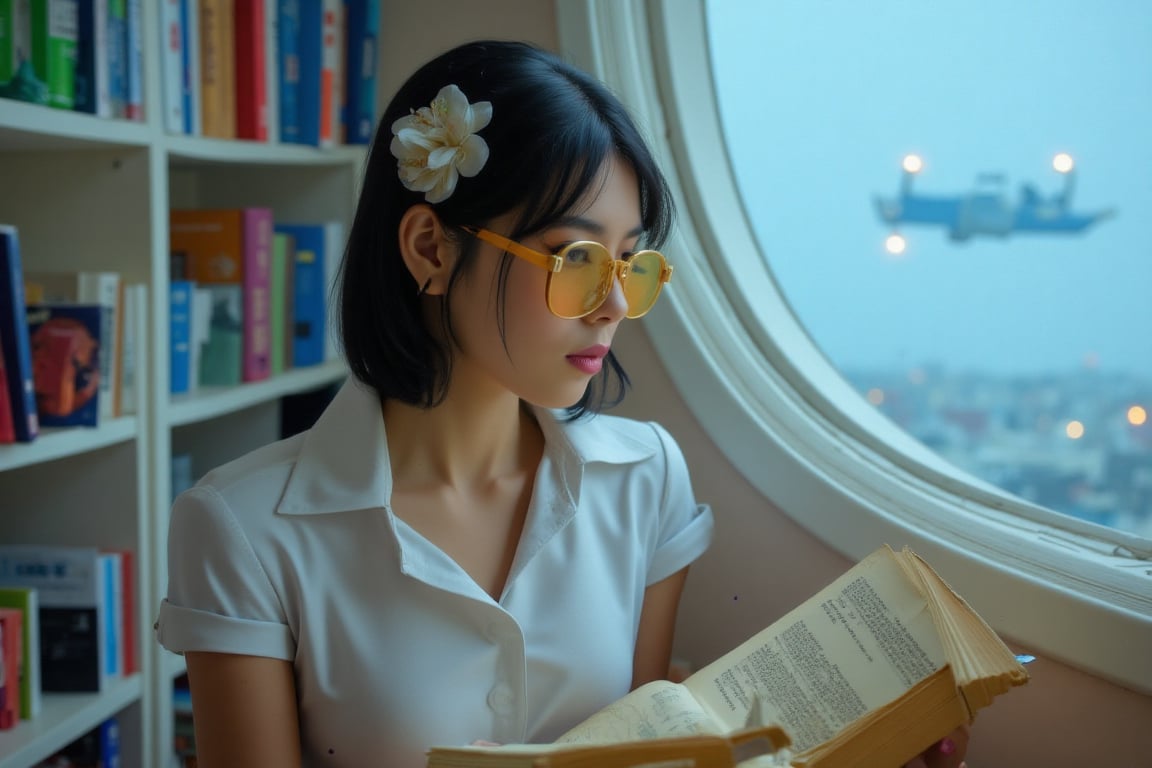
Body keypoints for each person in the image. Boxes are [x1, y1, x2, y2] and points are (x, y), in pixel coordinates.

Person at [154, 40, 970, 768]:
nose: (613, 304)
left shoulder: (645, 479)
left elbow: (653, 745)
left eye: (632, 263)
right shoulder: (242, 528)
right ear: (431, 249)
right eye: (575, 258)